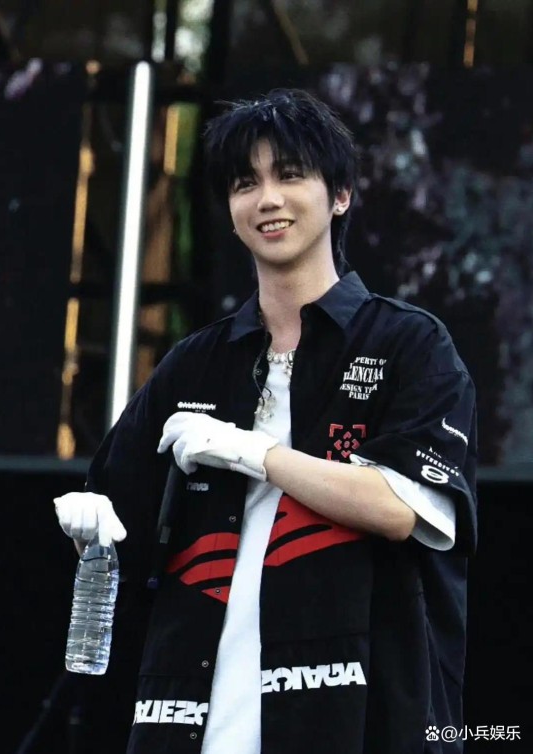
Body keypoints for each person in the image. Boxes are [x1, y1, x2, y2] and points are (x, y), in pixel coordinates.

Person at [55, 88, 478, 754]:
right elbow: (121, 522)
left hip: (357, 721)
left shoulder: (409, 345)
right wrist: (91, 531)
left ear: (340, 195)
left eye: (290, 175)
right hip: (195, 719)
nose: (267, 199)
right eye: (245, 183)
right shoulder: (195, 364)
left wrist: (249, 451)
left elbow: (402, 506)